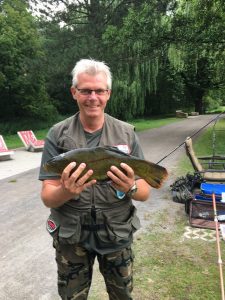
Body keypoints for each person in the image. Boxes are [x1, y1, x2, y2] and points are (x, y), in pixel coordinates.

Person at [39, 58, 151, 300]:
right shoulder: (57, 135)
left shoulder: (126, 133)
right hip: (72, 237)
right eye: (85, 90)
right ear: (74, 92)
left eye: (99, 90)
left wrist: (130, 186)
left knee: (122, 296)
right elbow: (48, 196)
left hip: (115, 233)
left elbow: (144, 192)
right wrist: (66, 191)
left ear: (108, 94)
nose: (93, 97)